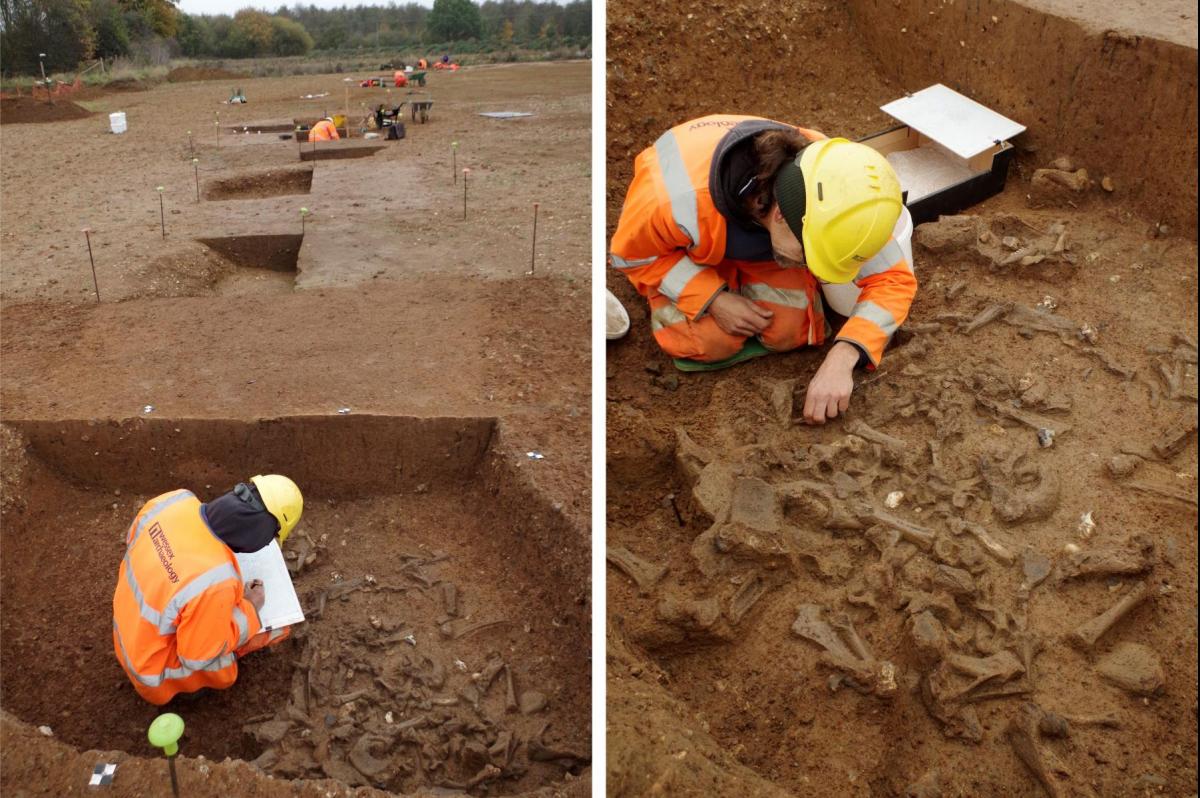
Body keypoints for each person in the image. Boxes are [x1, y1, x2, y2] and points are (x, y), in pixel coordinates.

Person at [609, 114, 916, 424]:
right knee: (706, 341)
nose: (812, 269)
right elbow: (634, 256)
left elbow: (894, 279)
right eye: (809, 255)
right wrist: (712, 298)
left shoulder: (838, 187)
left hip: (756, 240)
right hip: (688, 249)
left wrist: (845, 355)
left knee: (790, 330)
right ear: (782, 215)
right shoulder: (671, 202)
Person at [112, 475, 304, 705]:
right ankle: (189, 691)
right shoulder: (215, 581)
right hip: (151, 673)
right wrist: (250, 607)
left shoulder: (175, 500)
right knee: (275, 632)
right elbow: (196, 656)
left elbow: (132, 539)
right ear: (260, 531)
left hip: (127, 631)